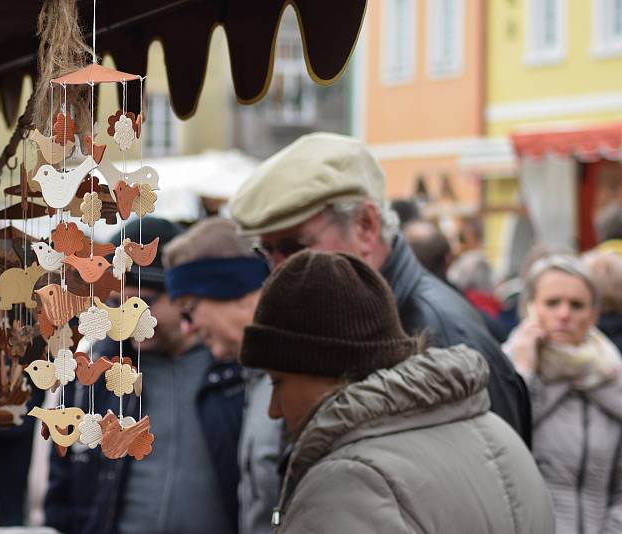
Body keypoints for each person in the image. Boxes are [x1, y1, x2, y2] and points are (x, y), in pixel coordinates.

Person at [230, 132, 531, 444]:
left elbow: (486, 481)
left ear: (366, 227)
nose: (278, 269)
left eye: (295, 247)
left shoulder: (442, 333)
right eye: (266, 252)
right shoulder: (349, 321)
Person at [238, 250, 554, 533]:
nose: (274, 409)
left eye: (278, 382)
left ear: (327, 371)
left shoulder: (347, 484)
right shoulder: (498, 433)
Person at [45, 217, 244, 534]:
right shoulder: (92, 371)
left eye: (143, 303)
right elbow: (61, 482)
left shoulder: (233, 371)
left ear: (183, 297)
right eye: (115, 303)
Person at [163, 217, 279, 534]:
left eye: (189, 308)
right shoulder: (257, 375)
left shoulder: (294, 375)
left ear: (238, 292)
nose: (188, 327)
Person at [504, 255, 622, 533]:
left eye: (577, 305)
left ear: (594, 314)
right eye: (552, 303)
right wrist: (525, 373)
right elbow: (501, 452)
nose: (564, 314)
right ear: (530, 308)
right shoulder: (506, 372)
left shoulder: (610, 373)